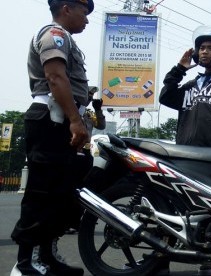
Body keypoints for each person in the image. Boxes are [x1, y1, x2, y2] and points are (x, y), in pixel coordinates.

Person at [10, 0, 93, 275]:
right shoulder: (53, 34)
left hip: (63, 121)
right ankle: (26, 263)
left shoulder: (67, 39)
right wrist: (74, 120)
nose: (87, 20)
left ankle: (47, 257)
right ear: (67, 8)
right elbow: (55, 77)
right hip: (51, 119)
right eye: (84, 12)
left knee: (61, 195)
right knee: (41, 193)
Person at [159, 25, 211, 275]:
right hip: (184, 156)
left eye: (210, 48)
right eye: (201, 48)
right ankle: (160, 259)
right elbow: (166, 97)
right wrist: (179, 69)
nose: (203, 52)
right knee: (175, 211)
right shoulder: (191, 85)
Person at [65, 87, 106, 235]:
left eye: (90, 96)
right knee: (67, 187)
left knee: (83, 188)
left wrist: (98, 110)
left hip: (86, 152)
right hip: (71, 151)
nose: (89, 99)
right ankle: (63, 221)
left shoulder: (88, 113)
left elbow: (101, 126)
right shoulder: (70, 109)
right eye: (87, 95)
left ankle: (75, 222)